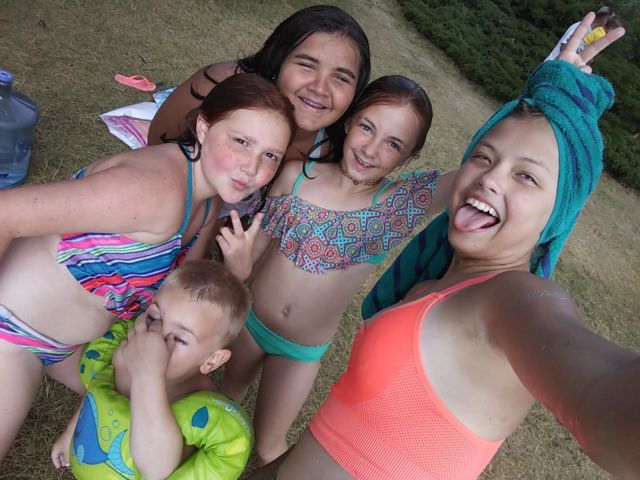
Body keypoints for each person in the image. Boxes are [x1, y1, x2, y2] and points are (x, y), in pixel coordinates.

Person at [248, 14, 639, 480]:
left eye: (527, 176)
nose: (491, 178)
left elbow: (603, 391)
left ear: (560, 212)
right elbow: (344, 428)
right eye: (484, 157)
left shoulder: (513, 300)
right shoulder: (434, 277)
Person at [0, 73, 295, 460]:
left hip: (71, 348)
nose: (252, 167)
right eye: (241, 141)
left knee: (164, 424)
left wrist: (235, 274)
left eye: (270, 155)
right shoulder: (154, 189)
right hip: (13, 331)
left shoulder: (205, 201)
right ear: (204, 128)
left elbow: (181, 297)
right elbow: (5, 214)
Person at [217, 74, 456, 465]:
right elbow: (255, 251)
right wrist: (236, 270)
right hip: (250, 322)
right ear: (349, 121)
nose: (371, 149)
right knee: (223, 399)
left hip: (300, 352)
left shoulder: (393, 207)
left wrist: (548, 91)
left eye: (393, 144)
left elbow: (478, 173)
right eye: (367, 127)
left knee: (268, 448)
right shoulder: (295, 176)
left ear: (409, 157)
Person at [50, 260, 253, 480]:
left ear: (212, 361)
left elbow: (155, 470)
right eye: (154, 317)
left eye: (180, 338)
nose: (155, 336)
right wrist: (70, 433)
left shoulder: (194, 405)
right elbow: (99, 389)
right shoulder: (125, 353)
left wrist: (147, 375)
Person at [149, 5, 370, 165]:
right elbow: (156, 144)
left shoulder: (336, 150)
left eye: (341, 78)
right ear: (279, 60)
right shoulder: (220, 87)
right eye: (307, 65)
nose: (320, 88)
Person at [545, 6, 615, 61]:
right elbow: (563, 46)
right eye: (611, 20)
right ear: (605, 19)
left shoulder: (596, 35)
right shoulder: (580, 26)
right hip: (553, 62)